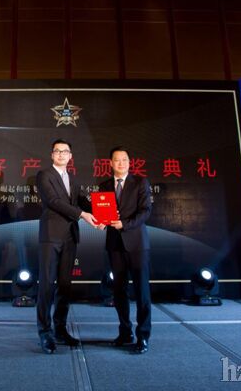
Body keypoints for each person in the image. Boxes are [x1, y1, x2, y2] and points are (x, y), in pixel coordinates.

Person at [36, 139, 97, 354]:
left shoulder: (73, 179)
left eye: (65, 151)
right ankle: (44, 332)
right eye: (57, 151)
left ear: (71, 156)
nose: (61, 154)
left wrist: (103, 213)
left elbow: (83, 202)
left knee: (64, 285)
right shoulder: (44, 175)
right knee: (46, 285)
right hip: (51, 236)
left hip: (70, 237)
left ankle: (60, 329)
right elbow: (53, 201)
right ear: (52, 155)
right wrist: (82, 215)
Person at [99, 146, 152, 354]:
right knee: (119, 291)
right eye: (117, 160)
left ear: (130, 162)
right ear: (110, 163)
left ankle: (143, 336)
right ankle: (125, 331)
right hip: (115, 244)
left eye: (124, 160)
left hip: (137, 244)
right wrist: (100, 221)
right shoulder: (104, 186)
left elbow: (145, 211)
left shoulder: (140, 182)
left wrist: (125, 224)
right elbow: (102, 212)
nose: (121, 163)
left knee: (141, 290)